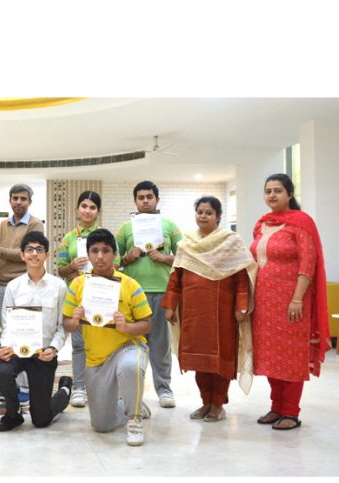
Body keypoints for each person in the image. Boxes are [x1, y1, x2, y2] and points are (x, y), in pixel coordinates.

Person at [162, 196, 257, 422]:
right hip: (193, 313)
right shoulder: (186, 244)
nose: (203, 216)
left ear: (218, 217)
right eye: (200, 212)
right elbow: (176, 276)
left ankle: (218, 404)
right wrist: (170, 305)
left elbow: (241, 277)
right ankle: (206, 402)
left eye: (208, 213)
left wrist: (241, 306)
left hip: (222, 312)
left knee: (220, 360)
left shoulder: (230, 242)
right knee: (199, 360)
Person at [251, 174, 330, 430]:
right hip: (263, 302)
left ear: (289, 194)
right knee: (270, 355)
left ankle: (291, 412)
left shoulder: (301, 223)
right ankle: (276, 407)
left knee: (291, 356)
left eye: (278, 190)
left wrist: (297, 297)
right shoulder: (262, 224)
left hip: (291, 301)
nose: (272, 195)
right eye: (268, 191)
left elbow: (308, 263)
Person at [62, 228, 152, 446]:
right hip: (96, 360)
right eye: (94, 251)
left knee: (131, 366)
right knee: (102, 426)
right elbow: (68, 325)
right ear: (88, 254)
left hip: (128, 347)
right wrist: (74, 319)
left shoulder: (130, 285)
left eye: (105, 251)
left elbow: (147, 325)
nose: (100, 256)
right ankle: (134, 403)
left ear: (115, 255)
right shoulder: (78, 285)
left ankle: (134, 419)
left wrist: (127, 326)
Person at [0, 231, 72, 431]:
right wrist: (4, 346)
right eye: (29, 249)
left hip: (43, 353)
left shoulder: (59, 287)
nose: (34, 254)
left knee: (41, 420)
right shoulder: (13, 287)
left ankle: (64, 389)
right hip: (18, 351)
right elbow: (6, 324)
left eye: (39, 250)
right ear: (22, 255)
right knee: (3, 371)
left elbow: (62, 325)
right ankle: (13, 414)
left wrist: (53, 349)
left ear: (47, 255)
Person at [116, 181, 181, 408]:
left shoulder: (169, 225)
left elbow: (186, 256)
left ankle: (164, 389)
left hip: (162, 291)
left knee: (161, 345)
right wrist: (127, 257)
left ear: (157, 200)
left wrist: (164, 258)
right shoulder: (125, 228)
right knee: (131, 343)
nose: (145, 200)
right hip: (132, 293)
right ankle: (132, 392)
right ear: (135, 201)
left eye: (149, 197)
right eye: (141, 197)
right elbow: (112, 259)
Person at [0, 183, 44, 403]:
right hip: (2, 284)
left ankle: (25, 385)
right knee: (7, 333)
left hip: (24, 285)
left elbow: (23, 254)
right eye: (15, 198)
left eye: (23, 199)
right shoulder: (4, 223)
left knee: (25, 332)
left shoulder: (35, 224)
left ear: (29, 202)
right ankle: (9, 383)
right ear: (10, 201)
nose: (18, 202)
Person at [57, 190, 102, 408]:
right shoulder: (68, 238)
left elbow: (116, 263)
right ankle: (79, 388)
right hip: (77, 297)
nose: (87, 210)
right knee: (78, 345)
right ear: (78, 208)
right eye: (84, 206)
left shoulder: (104, 236)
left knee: (102, 343)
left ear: (97, 211)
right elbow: (60, 270)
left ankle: (101, 387)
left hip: (101, 296)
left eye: (92, 207)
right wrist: (74, 268)